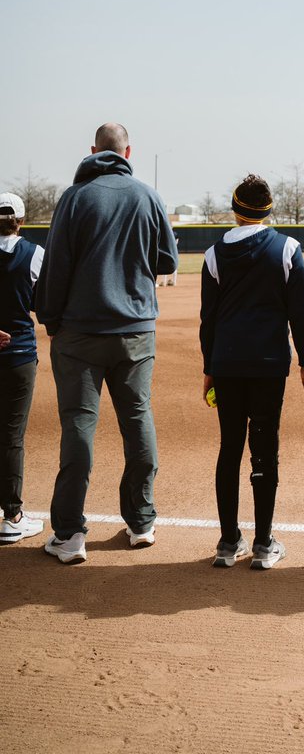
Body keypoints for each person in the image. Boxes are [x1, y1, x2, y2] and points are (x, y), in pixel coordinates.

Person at [36, 123, 179, 564]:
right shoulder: (148, 195)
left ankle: (70, 535)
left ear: (93, 150)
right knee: (137, 419)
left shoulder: (76, 197)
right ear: (128, 151)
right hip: (135, 330)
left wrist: (51, 319)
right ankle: (141, 522)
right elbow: (168, 260)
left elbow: (57, 266)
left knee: (79, 425)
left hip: (80, 332)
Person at [200, 174, 304, 570]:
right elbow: (300, 312)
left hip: (228, 363)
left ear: (235, 210)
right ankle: (264, 543)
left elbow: (208, 320)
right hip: (269, 365)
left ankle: (228, 541)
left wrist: (209, 368)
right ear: (269, 210)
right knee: (264, 447)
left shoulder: (214, 254)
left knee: (229, 447)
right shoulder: (287, 248)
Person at [0, 192, 45, 544]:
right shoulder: (35, 254)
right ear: (21, 220)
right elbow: (43, 305)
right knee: (11, 435)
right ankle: (12, 515)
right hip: (18, 355)